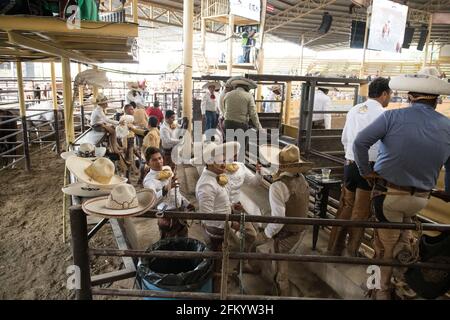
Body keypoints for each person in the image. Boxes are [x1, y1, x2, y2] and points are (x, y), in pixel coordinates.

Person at [353, 67, 450, 299]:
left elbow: (359, 143)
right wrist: (448, 192)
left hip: (389, 195)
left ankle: (380, 290)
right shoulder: (447, 126)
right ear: (436, 101)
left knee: (383, 248)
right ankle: (404, 281)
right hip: (420, 199)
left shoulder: (392, 116)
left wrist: (366, 172)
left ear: (409, 97)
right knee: (405, 239)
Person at [328, 77, 391, 257]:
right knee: (360, 211)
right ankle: (352, 251)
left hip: (349, 164)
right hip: (369, 168)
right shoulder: (383, 115)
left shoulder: (355, 109)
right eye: (390, 95)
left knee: (345, 206)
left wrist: (350, 154)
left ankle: (334, 248)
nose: (390, 98)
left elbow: (345, 138)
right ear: (384, 94)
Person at [255, 144, 312, 296]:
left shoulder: (278, 187)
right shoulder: (301, 179)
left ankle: (282, 292)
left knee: (281, 265)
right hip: (301, 229)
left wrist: (266, 234)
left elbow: (279, 219)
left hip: (286, 234)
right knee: (280, 259)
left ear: (280, 164)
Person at [143, 147, 191, 238]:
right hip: (166, 215)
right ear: (148, 163)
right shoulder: (149, 180)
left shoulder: (167, 169)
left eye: (160, 158)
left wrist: (186, 203)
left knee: (184, 238)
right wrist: (165, 189)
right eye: (154, 160)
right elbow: (152, 201)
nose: (158, 162)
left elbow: (175, 191)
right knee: (168, 242)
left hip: (180, 211)